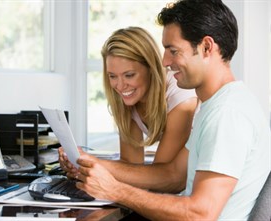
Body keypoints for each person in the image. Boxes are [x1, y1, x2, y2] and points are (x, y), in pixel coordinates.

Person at [72, 0, 270, 220]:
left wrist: (116, 190)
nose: (165, 61)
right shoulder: (215, 105)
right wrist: (94, 165)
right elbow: (173, 175)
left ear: (206, 47)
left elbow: (200, 214)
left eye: (173, 51)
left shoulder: (227, 114)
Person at [59, 27, 198, 176]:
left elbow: (159, 175)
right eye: (112, 76)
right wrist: (82, 166)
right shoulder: (129, 99)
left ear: (151, 68)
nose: (119, 86)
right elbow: (131, 164)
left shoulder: (182, 98)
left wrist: (94, 163)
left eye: (129, 75)